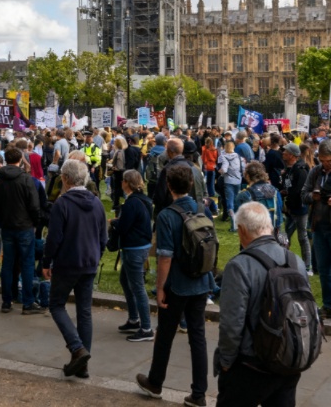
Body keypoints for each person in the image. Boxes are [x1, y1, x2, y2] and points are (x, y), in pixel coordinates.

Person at [215, 202, 307, 407]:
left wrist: (226, 361)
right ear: (269, 226)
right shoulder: (296, 261)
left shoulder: (239, 266)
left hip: (251, 364)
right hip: (288, 360)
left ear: (241, 230)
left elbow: (231, 323)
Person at [137, 165, 213, 407]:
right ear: (191, 184)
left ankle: (155, 382)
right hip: (201, 280)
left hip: (177, 284)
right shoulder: (203, 209)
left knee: (165, 334)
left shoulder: (167, 215)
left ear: (169, 186)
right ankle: (199, 393)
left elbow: (165, 256)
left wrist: (159, 287)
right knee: (198, 337)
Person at [42, 160, 107, 379]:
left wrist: (45, 262)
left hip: (68, 262)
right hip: (88, 262)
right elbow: (103, 237)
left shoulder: (63, 203)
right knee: (84, 312)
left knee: (56, 305)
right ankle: (82, 363)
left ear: (65, 179)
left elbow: (54, 238)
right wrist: (97, 255)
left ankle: (77, 348)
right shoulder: (96, 203)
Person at [0, 147, 43, 315]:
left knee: (8, 264)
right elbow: (34, 206)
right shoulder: (26, 179)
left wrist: (0, 220)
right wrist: (35, 222)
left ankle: (6, 300)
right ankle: (28, 302)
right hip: (24, 226)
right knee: (27, 264)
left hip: (8, 226)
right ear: (20, 160)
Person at [115, 169, 154, 342]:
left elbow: (124, 226)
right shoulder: (144, 200)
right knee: (125, 280)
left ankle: (146, 327)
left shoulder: (131, 203)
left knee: (137, 286)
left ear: (126, 183)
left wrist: (114, 223)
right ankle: (134, 318)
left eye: (123, 180)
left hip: (134, 247)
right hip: (141, 245)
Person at [300, 139, 331, 319]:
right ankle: (328, 305)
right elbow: (303, 195)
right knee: (323, 268)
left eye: (329, 161)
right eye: (324, 160)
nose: (326, 164)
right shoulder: (314, 172)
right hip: (318, 225)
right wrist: (314, 196)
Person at [282, 143, 311, 274]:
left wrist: (288, 199)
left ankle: (307, 265)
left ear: (292, 155)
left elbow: (298, 190)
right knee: (285, 236)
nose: (283, 154)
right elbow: (288, 186)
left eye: (285, 152)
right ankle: (283, 261)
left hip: (300, 208)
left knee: (302, 237)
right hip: (292, 208)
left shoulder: (300, 170)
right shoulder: (291, 168)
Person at [217, 141, 243, 228]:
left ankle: (233, 224)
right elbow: (243, 167)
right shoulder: (238, 156)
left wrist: (220, 172)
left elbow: (224, 168)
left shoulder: (224, 157)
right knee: (236, 200)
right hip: (238, 180)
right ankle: (238, 219)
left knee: (230, 201)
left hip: (228, 181)